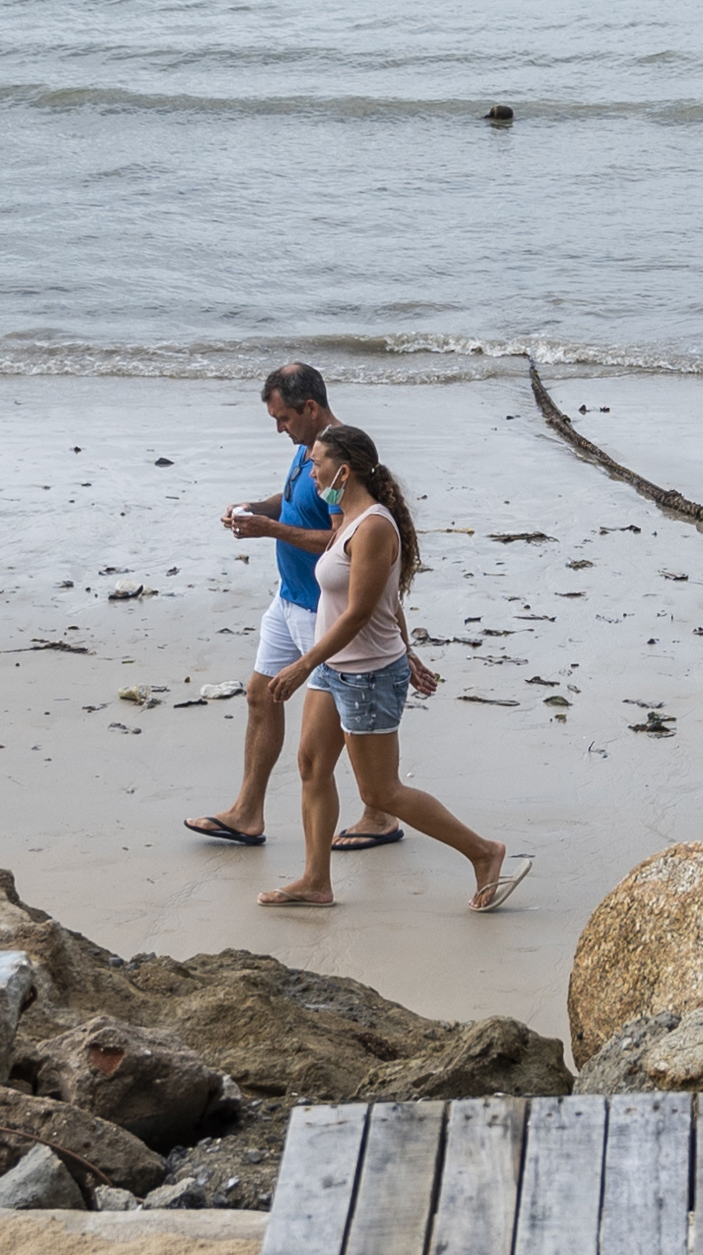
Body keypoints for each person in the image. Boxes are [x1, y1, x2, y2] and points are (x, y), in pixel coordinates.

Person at [254, 424, 523, 913]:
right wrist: (405, 649)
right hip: (335, 669)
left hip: (368, 675)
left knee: (381, 791)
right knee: (312, 765)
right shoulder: (349, 520)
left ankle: (484, 852)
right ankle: (317, 880)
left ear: (345, 469)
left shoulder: (374, 526)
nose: (309, 472)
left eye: (316, 463)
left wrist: (302, 664)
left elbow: (360, 612)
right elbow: (390, 600)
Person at [189, 363, 396, 854]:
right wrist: (258, 509)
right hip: (287, 598)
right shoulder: (307, 450)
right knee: (260, 695)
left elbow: (343, 537)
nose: (279, 428)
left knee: (346, 718)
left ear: (310, 408)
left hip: (320, 607)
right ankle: (247, 812)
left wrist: (272, 531)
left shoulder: (338, 457)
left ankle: (380, 811)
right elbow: (294, 502)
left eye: (283, 418)